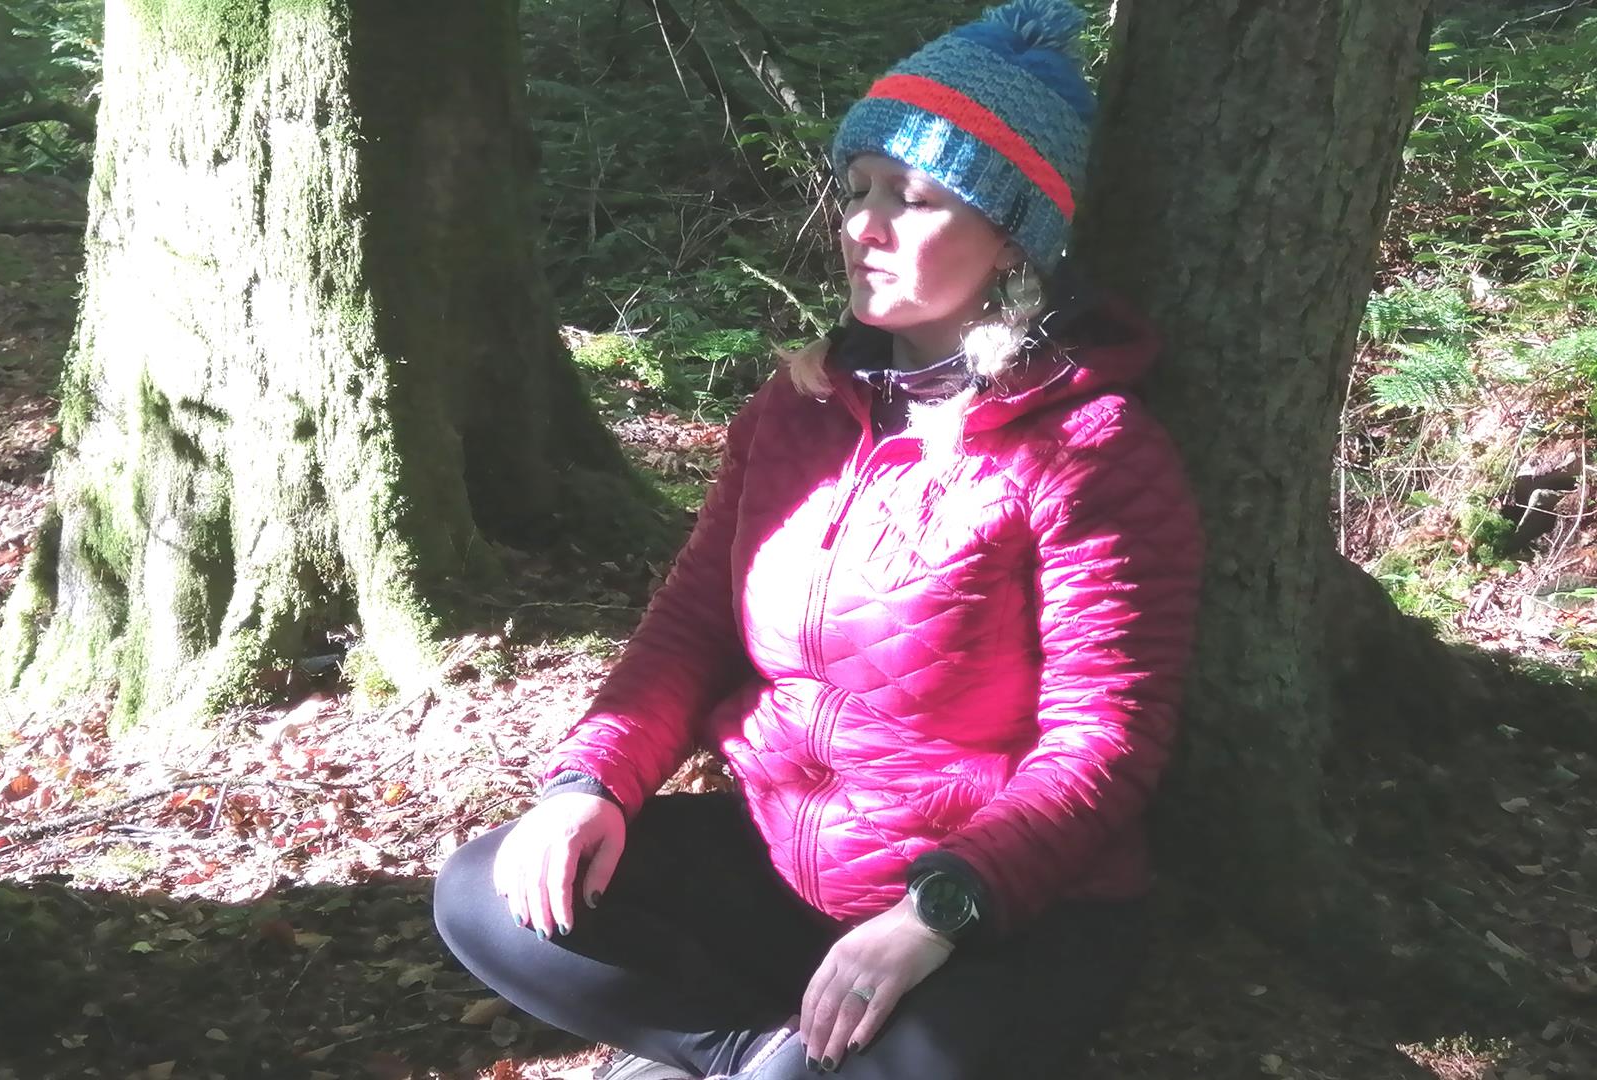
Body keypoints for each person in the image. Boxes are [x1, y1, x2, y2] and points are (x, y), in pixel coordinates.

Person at [433, 2, 1203, 1076]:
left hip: (995, 914)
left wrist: (937, 910)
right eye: (859, 191)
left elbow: (1106, 740)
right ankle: (739, 1052)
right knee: (485, 895)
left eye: (914, 198)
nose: (863, 226)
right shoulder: (795, 413)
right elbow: (693, 626)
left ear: (1011, 235)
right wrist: (591, 786)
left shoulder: (1094, 451)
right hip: (778, 869)